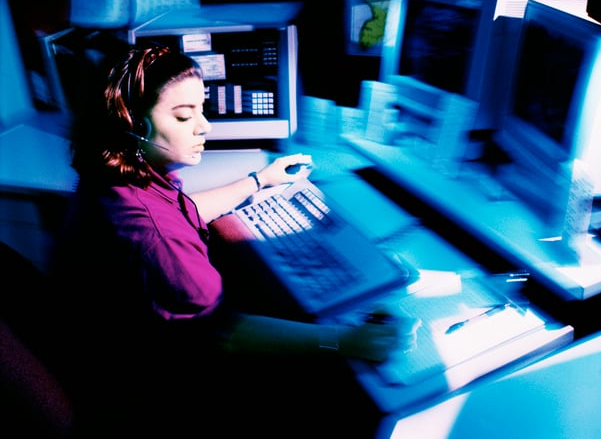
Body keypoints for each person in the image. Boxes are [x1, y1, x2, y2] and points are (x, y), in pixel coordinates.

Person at [47, 45, 410, 438]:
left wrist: (258, 182)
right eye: (184, 116)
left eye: (201, 110)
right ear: (133, 123)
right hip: (153, 391)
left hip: (108, 346)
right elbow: (226, 335)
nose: (205, 126)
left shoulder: (118, 176)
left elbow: (180, 214)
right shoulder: (152, 234)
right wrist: (348, 341)